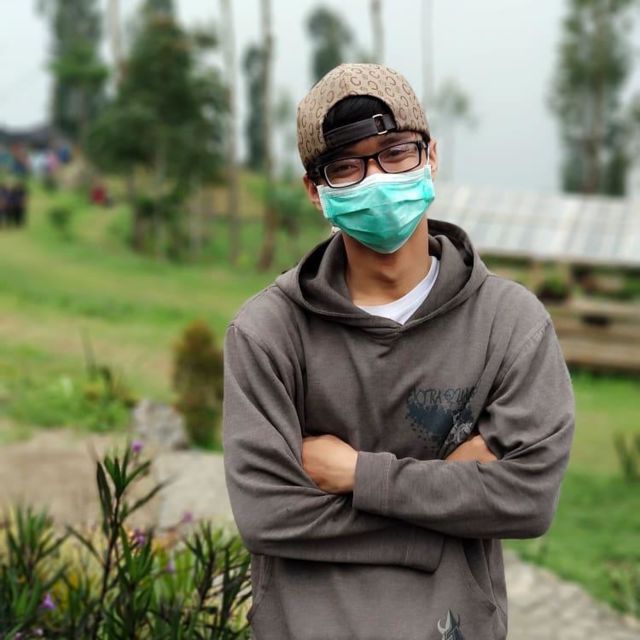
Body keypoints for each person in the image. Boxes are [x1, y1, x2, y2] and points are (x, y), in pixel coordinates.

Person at [222, 63, 575, 640]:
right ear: (314, 190)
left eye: (395, 153)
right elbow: (268, 515)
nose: (377, 180)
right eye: (346, 167)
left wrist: (358, 474)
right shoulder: (267, 333)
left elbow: (528, 498)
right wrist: (443, 509)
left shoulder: (510, 324)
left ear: (431, 156)